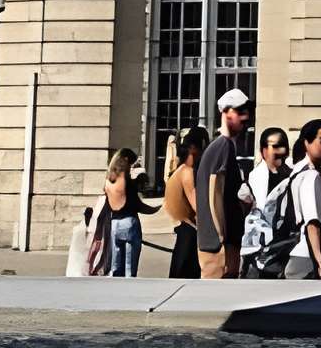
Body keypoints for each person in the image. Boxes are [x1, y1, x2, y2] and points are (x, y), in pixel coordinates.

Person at [195, 88, 252, 280]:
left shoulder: (223, 146)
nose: (245, 117)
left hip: (222, 242)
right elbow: (214, 192)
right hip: (219, 245)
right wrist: (220, 236)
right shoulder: (223, 146)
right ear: (225, 112)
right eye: (239, 111)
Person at [241, 127, 300, 277]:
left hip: (286, 251)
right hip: (256, 255)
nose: (281, 150)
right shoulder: (253, 180)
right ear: (263, 151)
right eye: (275, 146)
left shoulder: (294, 177)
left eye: (284, 145)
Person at [286, 119, 321, 280]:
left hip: (303, 256)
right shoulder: (310, 176)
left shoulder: (299, 171)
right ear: (307, 143)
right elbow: (312, 224)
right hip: (307, 259)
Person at [101, 149, 157, 278]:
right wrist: (156, 210)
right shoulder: (126, 182)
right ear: (125, 160)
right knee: (129, 268)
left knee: (115, 267)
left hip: (114, 224)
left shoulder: (108, 180)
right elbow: (137, 205)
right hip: (129, 223)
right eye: (131, 164)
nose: (131, 167)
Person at [164, 128, 208, 278]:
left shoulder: (182, 170)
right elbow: (198, 206)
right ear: (195, 148)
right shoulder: (187, 172)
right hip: (189, 234)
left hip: (186, 231)